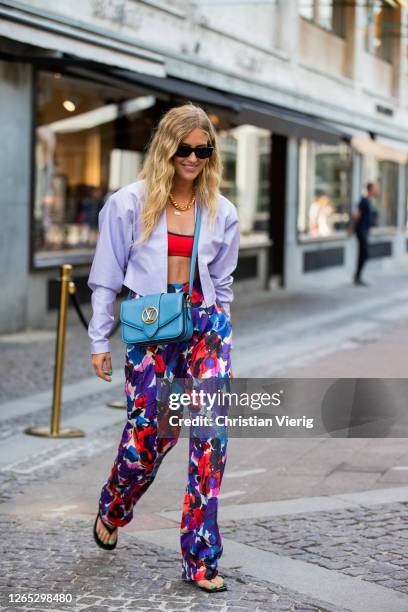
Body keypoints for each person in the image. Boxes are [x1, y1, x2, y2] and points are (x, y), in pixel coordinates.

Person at [87, 103, 240, 593]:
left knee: (211, 439)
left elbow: (224, 280)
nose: (192, 158)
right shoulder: (128, 203)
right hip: (151, 328)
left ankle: (201, 559)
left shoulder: (222, 210)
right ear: (166, 147)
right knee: (149, 439)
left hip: (205, 328)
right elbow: (105, 279)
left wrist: (221, 328)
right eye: (184, 148)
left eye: (202, 150)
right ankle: (115, 503)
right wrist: (98, 339)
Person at [350, 181, 379, 286]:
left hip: (365, 230)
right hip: (360, 230)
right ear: (370, 189)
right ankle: (357, 277)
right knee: (364, 253)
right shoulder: (364, 200)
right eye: (376, 187)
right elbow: (357, 215)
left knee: (363, 254)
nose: (377, 189)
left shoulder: (371, 201)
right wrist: (351, 228)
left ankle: (357, 277)